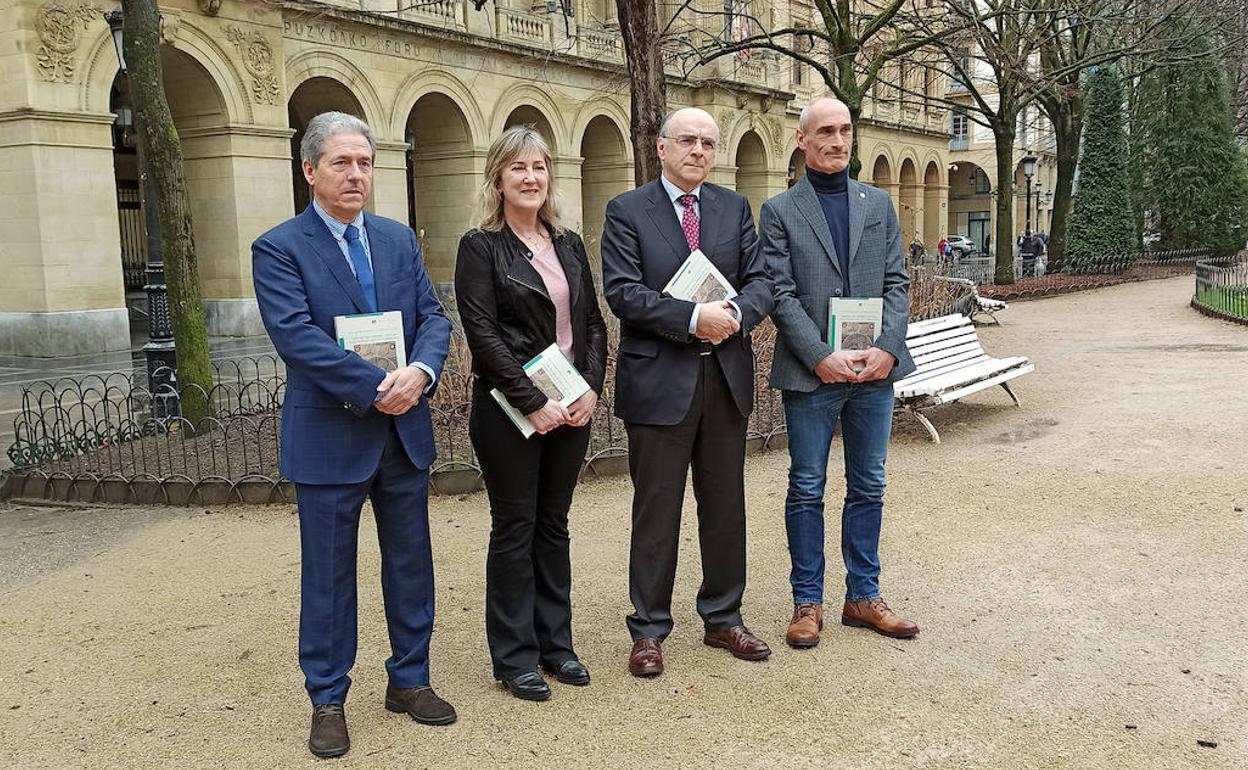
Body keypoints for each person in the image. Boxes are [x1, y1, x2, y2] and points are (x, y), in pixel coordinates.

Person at [252, 112, 454, 759]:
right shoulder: (279, 247)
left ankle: (410, 680)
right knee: (329, 577)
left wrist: (420, 372)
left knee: (411, 565)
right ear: (309, 169)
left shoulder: (396, 239)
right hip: (331, 436)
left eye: (364, 162)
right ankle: (328, 698)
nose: (356, 174)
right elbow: (296, 338)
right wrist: (376, 386)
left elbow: (433, 318)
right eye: (342, 162)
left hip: (403, 432)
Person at [601, 107, 775, 678]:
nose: (698, 150)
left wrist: (737, 314)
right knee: (657, 510)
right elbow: (623, 292)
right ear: (661, 147)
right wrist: (694, 318)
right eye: (687, 140)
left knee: (725, 506)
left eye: (707, 142)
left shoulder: (733, 207)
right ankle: (649, 630)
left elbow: (761, 281)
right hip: (660, 380)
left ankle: (724, 617)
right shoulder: (627, 210)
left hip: (724, 377)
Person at [757, 97, 920, 650]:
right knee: (807, 487)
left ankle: (863, 596)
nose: (837, 140)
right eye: (825, 130)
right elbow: (779, 293)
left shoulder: (878, 203)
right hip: (813, 375)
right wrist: (817, 354)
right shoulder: (780, 211)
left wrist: (889, 348)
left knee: (869, 484)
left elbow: (896, 282)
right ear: (801, 139)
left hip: (873, 372)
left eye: (845, 130)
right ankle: (807, 602)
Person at [454, 126, 608, 701]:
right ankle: (515, 656)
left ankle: (556, 645)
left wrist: (590, 387)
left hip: (571, 405)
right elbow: (483, 335)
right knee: (514, 528)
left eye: (539, 166)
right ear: (497, 177)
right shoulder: (480, 246)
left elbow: (592, 323)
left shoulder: (567, 243)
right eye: (518, 167)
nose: (530, 177)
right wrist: (533, 401)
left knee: (553, 525)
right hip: (508, 411)